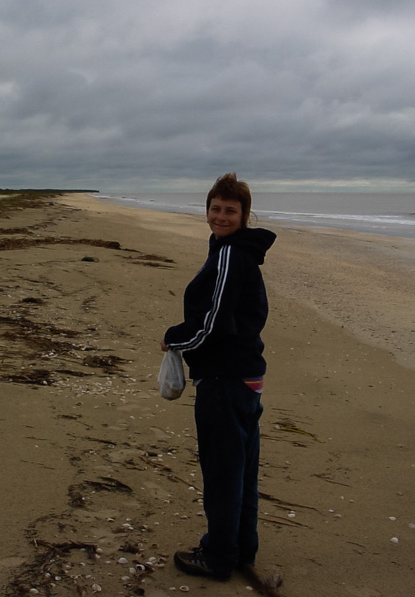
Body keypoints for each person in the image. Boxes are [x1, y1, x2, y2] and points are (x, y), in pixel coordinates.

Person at [161, 172, 276, 581]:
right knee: (242, 467)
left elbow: (215, 323)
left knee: (224, 470)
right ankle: (243, 548)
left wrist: (175, 338)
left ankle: (220, 556)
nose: (221, 216)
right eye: (216, 208)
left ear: (245, 215)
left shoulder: (230, 255)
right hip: (246, 376)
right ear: (206, 210)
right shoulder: (234, 252)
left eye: (231, 210)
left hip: (226, 379)